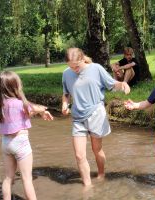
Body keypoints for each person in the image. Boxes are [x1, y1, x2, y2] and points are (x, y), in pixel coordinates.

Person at [61, 47, 130, 187]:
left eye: (77, 66)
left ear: (82, 59)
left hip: (96, 114)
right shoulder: (66, 74)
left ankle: (101, 173)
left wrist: (122, 84)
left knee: (96, 149)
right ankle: (87, 186)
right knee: (79, 155)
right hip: (77, 118)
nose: (74, 69)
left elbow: (112, 85)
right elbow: (66, 93)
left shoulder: (96, 68)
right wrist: (64, 104)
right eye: (71, 66)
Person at [0, 71, 54, 200]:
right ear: (16, 86)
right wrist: (43, 110)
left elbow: (27, 110)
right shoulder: (19, 103)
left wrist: (38, 111)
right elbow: (31, 109)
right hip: (20, 142)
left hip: (6, 143)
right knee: (27, 179)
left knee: (8, 177)